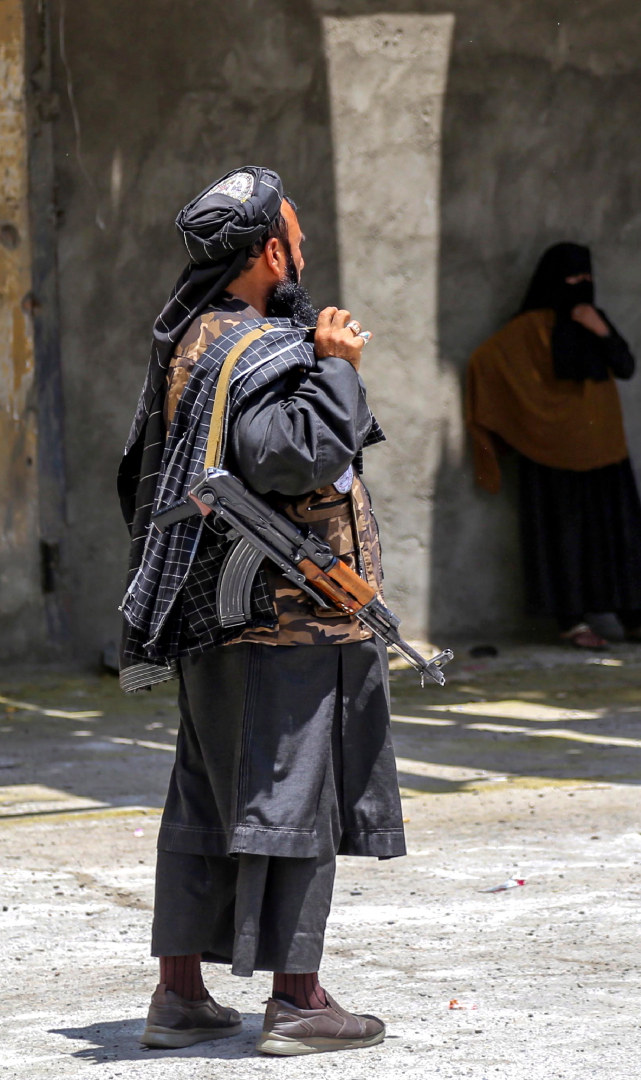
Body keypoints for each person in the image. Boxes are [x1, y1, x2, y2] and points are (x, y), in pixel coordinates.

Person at [116, 166, 401, 1057]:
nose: (306, 250)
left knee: (205, 796)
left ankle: (180, 995)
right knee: (292, 799)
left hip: (210, 619)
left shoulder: (198, 338)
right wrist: (340, 369)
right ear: (268, 251)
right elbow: (291, 458)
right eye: (297, 237)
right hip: (285, 621)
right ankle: (298, 999)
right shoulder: (266, 348)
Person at [465, 243, 641, 649]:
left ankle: (635, 622)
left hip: (605, 450)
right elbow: (485, 363)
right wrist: (527, 417)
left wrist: (599, 328)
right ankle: (573, 624)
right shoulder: (528, 328)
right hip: (550, 452)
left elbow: (626, 366)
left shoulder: (596, 319)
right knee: (564, 540)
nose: (582, 285)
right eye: (572, 279)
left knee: (618, 538)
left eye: (587, 277)